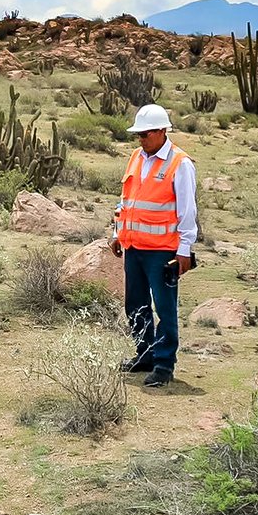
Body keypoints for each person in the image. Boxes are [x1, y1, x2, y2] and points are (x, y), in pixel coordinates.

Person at [108, 104, 198, 388]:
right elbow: (126, 200)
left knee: (165, 307)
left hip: (162, 251)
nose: (141, 140)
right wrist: (117, 232)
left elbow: (187, 211)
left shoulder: (180, 163)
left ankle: (163, 363)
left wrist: (184, 249)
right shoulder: (136, 157)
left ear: (162, 131)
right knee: (135, 304)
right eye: (138, 135)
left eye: (145, 134)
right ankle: (144, 353)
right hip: (133, 246)